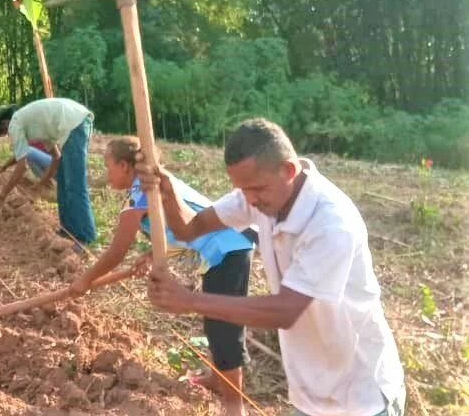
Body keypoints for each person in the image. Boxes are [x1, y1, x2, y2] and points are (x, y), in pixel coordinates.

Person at [140, 118, 405, 416]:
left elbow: (285, 311)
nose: (249, 199)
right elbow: (190, 228)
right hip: (311, 394)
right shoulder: (262, 196)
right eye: (242, 189)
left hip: (362, 396)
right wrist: (168, 194)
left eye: (256, 189)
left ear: (288, 170)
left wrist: (188, 301)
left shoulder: (331, 223)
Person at [69, 136, 256, 416]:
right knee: (215, 321)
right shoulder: (147, 188)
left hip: (227, 248)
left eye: (108, 166)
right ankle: (216, 380)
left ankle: (235, 409)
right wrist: (153, 254)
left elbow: (116, 253)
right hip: (220, 249)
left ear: (123, 166)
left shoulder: (142, 191)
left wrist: (85, 280)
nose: (107, 174)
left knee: (223, 329)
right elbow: (175, 230)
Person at [0, 98, 97, 245]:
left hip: (74, 124)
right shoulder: (37, 127)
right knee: (63, 185)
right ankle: (67, 231)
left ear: (4, 123)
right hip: (73, 123)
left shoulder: (15, 123)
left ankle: (85, 237)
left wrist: (2, 197)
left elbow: (22, 167)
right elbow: (56, 158)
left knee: (75, 185)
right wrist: (41, 183)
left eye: (5, 132)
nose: (9, 136)